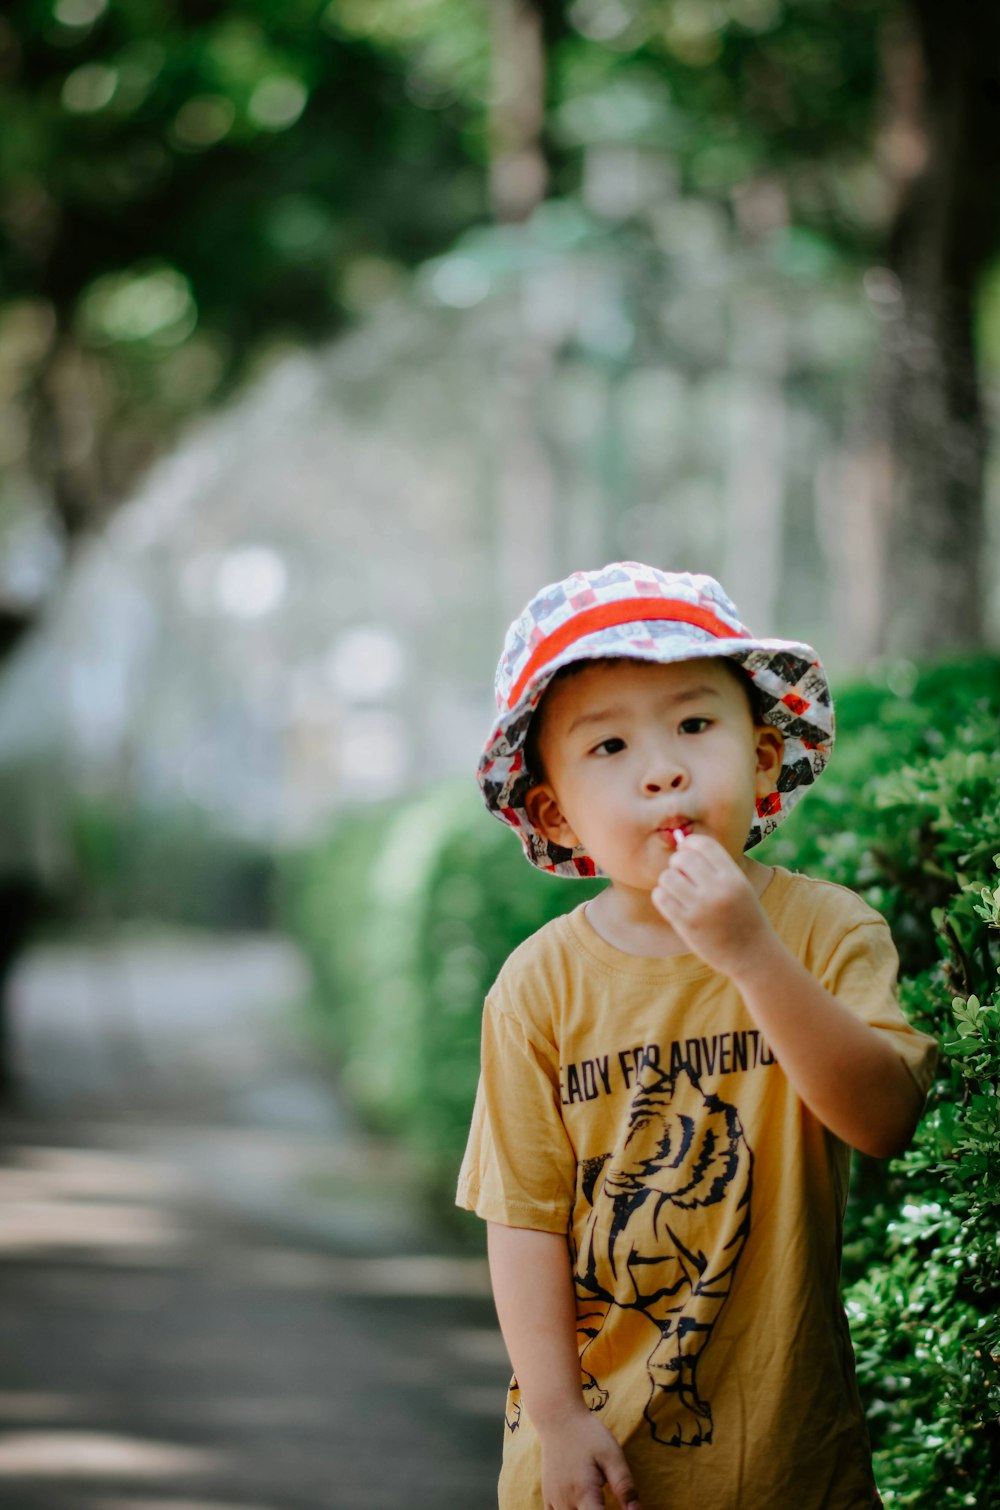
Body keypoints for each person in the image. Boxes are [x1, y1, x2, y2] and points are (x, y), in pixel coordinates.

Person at [456, 563, 938, 1510]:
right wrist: (556, 1416)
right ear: (555, 812)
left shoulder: (828, 931)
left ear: (761, 758)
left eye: (693, 725)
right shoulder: (539, 986)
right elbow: (524, 1219)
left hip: (785, 1455)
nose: (663, 767)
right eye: (609, 747)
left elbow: (885, 1120)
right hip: (592, 1459)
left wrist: (752, 957)